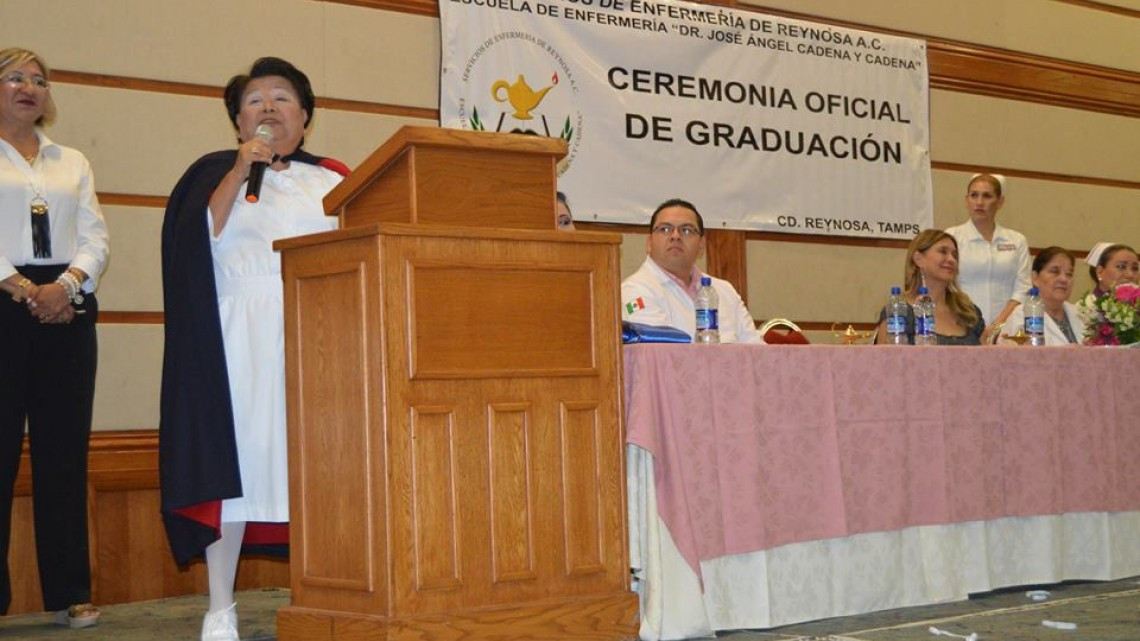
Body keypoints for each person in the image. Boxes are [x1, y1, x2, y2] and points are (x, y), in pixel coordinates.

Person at [159, 57, 350, 641]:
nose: (268, 108)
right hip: (238, 336)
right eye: (255, 100)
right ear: (238, 119)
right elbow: (194, 242)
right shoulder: (214, 174)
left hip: (320, 337)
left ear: (307, 116)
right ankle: (221, 607)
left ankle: (328, 597)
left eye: (283, 97)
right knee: (235, 468)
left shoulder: (335, 178)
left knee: (321, 468)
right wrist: (240, 172)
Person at [0, 47, 108, 628]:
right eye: (15, 76)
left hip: (67, 307)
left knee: (63, 457)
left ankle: (71, 591)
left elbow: (96, 236)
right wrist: (24, 289)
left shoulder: (72, 160)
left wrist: (64, 287)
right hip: (3, 298)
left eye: (39, 80)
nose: (29, 87)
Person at [621, 198, 764, 343]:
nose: (675, 236)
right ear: (649, 243)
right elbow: (660, 353)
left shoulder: (725, 290)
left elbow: (757, 350)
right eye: (665, 229)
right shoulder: (634, 290)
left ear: (701, 245)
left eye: (686, 230)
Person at [946, 173, 1030, 337]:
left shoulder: (1017, 240)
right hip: (962, 325)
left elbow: (1022, 290)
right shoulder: (952, 237)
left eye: (987, 196)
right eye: (974, 195)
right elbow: (947, 286)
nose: (979, 202)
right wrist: (972, 324)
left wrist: (997, 327)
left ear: (1000, 202)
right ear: (966, 200)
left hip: (1007, 330)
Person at [875, 229, 985, 345]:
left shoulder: (968, 311)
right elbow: (885, 360)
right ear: (918, 259)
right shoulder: (899, 312)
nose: (951, 259)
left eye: (954, 255)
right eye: (943, 252)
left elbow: (987, 357)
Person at [1003, 247, 1085, 345]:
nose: (1064, 279)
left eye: (1069, 274)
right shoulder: (1021, 316)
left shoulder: (1080, 314)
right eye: (1055, 272)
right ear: (1035, 278)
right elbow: (1011, 356)